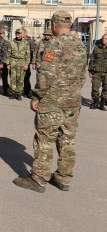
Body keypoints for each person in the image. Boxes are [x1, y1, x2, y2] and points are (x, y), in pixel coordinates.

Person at [13, 11, 87, 193]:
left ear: (54, 24)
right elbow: (82, 74)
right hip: (73, 102)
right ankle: (63, 178)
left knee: (44, 140)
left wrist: (36, 96)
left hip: (52, 102)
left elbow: (45, 75)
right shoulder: (80, 45)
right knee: (67, 140)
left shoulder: (54, 44)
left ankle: (38, 179)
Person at [7, 29, 30, 101]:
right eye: (17, 33)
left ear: (21, 34)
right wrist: (8, 63)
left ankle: (18, 93)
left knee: (20, 79)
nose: (18, 34)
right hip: (13, 61)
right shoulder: (11, 42)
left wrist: (27, 64)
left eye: (19, 33)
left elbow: (28, 54)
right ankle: (12, 92)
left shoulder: (25, 43)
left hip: (22, 62)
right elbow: (8, 53)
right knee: (12, 78)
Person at [88, 33, 107, 110]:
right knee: (95, 87)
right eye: (103, 38)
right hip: (97, 72)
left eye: (105, 39)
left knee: (106, 88)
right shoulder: (96, 48)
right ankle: (95, 102)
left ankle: (102, 103)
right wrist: (90, 70)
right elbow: (92, 59)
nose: (103, 40)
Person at [22, 29, 36, 98]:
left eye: (21, 33)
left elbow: (33, 52)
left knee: (26, 78)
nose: (20, 34)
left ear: (25, 33)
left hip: (26, 62)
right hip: (18, 62)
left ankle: (27, 92)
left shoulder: (30, 41)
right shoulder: (18, 40)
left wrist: (32, 62)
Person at [0, 30, 10, 96]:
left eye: (2, 34)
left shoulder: (7, 43)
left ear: (4, 35)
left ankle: (5, 90)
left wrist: (8, 62)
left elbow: (9, 53)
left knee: (4, 77)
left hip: (4, 62)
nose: (0, 35)